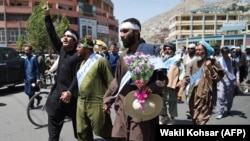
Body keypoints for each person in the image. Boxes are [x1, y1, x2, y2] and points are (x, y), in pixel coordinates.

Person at [102, 18, 167, 141]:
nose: (121, 35)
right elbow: (117, 81)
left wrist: (150, 88)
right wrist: (107, 98)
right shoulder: (123, 55)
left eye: (125, 31)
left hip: (141, 106)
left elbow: (162, 79)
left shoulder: (149, 51)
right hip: (123, 107)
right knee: (119, 136)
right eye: (120, 32)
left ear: (136, 32)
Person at [44, 5, 81, 141]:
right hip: (56, 100)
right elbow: (52, 33)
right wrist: (47, 15)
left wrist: (70, 92)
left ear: (75, 41)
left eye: (68, 37)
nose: (64, 38)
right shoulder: (62, 50)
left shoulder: (78, 56)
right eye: (64, 36)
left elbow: (78, 77)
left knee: (80, 133)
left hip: (73, 101)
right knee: (53, 136)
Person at [76, 35, 114, 141]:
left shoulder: (101, 61)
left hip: (96, 102)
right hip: (81, 102)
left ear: (86, 48)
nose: (76, 49)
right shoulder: (82, 63)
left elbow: (111, 84)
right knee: (82, 132)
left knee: (105, 131)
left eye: (79, 47)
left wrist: (108, 102)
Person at [178, 41, 224, 125]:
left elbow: (217, 78)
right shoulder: (192, 63)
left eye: (200, 50)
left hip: (206, 95)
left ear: (206, 51)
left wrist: (210, 68)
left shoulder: (213, 62)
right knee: (194, 118)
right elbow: (187, 76)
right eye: (197, 50)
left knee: (201, 120)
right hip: (193, 94)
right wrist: (181, 88)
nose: (197, 52)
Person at [159, 43, 185, 125]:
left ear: (173, 50)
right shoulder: (161, 59)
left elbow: (182, 71)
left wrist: (180, 81)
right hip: (161, 84)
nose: (167, 50)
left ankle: (172, 118)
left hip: (172, 84)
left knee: (172, 102)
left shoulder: (177, 59)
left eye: (169, 49)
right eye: (165, 49)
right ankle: (164, 116)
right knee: (160, 101)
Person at [216, 46, 239, 119]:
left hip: (231, 81)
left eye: (226, 53)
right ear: (221, 53)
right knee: (220, 96)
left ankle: (228, 108)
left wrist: (237, 79)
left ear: (228, 53)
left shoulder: (233, 60)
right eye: (223, 54)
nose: (224, 55)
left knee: (229, 99)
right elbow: (215, 71)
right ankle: (220, 112)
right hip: (221, 81)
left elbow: (237, 70)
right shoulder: (219, 61)